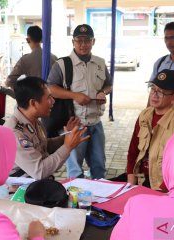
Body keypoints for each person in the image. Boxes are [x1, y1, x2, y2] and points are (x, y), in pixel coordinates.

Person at [47, 24, 112, 179]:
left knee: (99, 166)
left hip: (96, 123)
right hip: (75, 124)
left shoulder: (100, 63)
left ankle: (98, 199)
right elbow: (50, 88)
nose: (83, 44)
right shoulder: (62, 64)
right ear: (73, 42)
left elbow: (109, 84)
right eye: (79, 40)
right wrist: (74, 95)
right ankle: (76, 201)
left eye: (87, 40)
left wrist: (103, 92)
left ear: (93, 41)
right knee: (75, 169)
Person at [114, 69, 174, 191]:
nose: (154, 95)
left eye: (161, 92)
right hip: (139, 180)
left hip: (163, 187)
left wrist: (159, 194)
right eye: (153, 89)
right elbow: (132, 152)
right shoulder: (144, 115)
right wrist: (130, 185)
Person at [4, 76, 89, 179]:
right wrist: (67, 146)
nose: (53, 101)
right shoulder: (14, 133)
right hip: (19, 190)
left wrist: (67, 137)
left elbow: (43, 145)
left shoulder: (34, 121)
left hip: (36, 184)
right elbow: (39, 172)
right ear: (33, 103)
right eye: (49, 97)